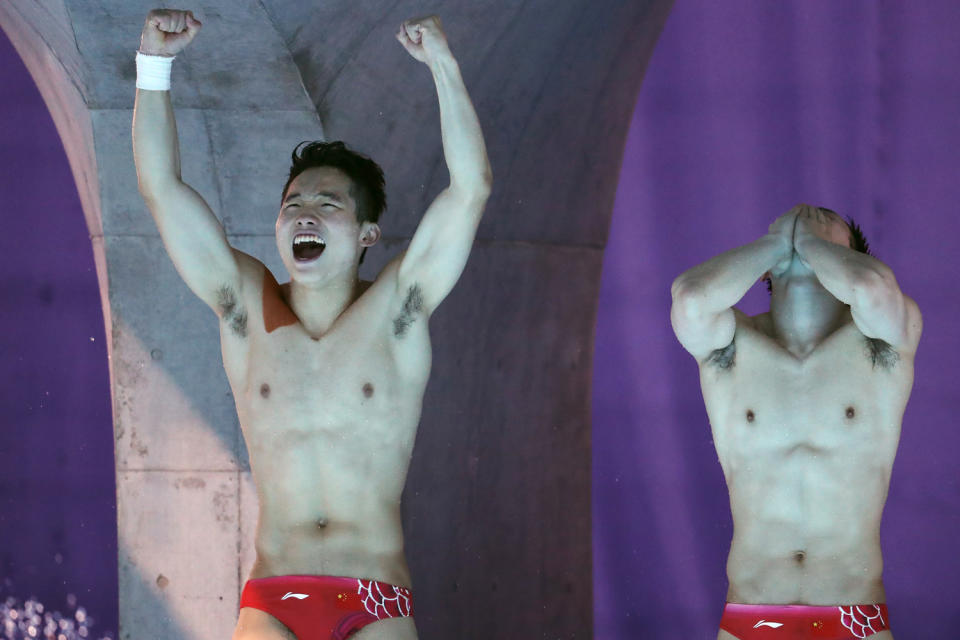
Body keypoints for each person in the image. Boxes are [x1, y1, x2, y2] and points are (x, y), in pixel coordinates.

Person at [132, 9, 491, 640]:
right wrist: (153, 66)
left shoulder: (399, 311)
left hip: (374, 595)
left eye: (328, 204)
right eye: (294, 203)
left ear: (367, 235)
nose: (306, 215)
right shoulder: (241, 306)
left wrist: (443, 65)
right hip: (275, 592)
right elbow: (161, 186)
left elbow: (469, 189)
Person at [670, 204, 921, 639]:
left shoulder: (882, 344)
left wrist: (805, 243)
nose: (802, 236)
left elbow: (872, 288)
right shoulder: (732, 348)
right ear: (764, 270)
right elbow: (691, 298)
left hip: (852, 614)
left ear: (846, 262)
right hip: (752, 613)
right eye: (791, 235)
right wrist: (776, 246)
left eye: (824, 238)